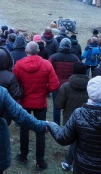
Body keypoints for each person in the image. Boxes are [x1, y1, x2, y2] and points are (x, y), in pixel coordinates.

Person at [13, 41, 59, 171]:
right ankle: (40, 161)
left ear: (26, 51)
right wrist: (45, 91)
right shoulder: (46, 64)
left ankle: (23, 156)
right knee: (40, 131)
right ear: (38, 51)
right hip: (40, 102)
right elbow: (54, 85)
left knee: (24, 129)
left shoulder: (19, 65)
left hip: (25, 102)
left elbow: (15, 84)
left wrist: (21, 94)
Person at [54, 62, 89, 171]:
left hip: (70, 118)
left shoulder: (66, 86)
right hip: (87, 118)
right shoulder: (91, 86)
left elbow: (58, 104)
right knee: (81, 140)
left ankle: (70, 162)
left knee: (75, 140)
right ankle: (70, 161)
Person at [48, 38, 79, 124]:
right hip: (70, 85)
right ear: (70, 46)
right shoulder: (75, 58)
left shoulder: (53, 57)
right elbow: (78, 71)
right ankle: (69, 126)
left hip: (57, 85)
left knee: (56, 106)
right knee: (70, 107)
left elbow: (48, 70)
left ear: (60, 45)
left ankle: (56, 125)